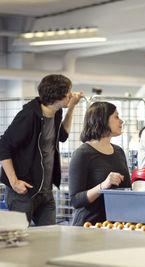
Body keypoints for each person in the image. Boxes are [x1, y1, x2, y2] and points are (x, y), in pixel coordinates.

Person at [0, 74, 83, 226]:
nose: (71, 94)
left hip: (45, 192)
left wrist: (71, 108)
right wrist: (14, 182)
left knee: (49, 241)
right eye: (68, 92)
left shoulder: (56, 111)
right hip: (23, 193)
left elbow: (62, 135)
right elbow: (4, 145)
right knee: (20, 241)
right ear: (57, 95)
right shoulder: (29, 115)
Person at [68, 102, 131, 226]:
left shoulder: (118, 151)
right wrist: (102, 186)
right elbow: (75, 200)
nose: (121, 121)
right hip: (89, 226)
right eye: (116, 117)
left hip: (115, 225)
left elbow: (126, 189)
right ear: (102, 119)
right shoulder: (82, 153)